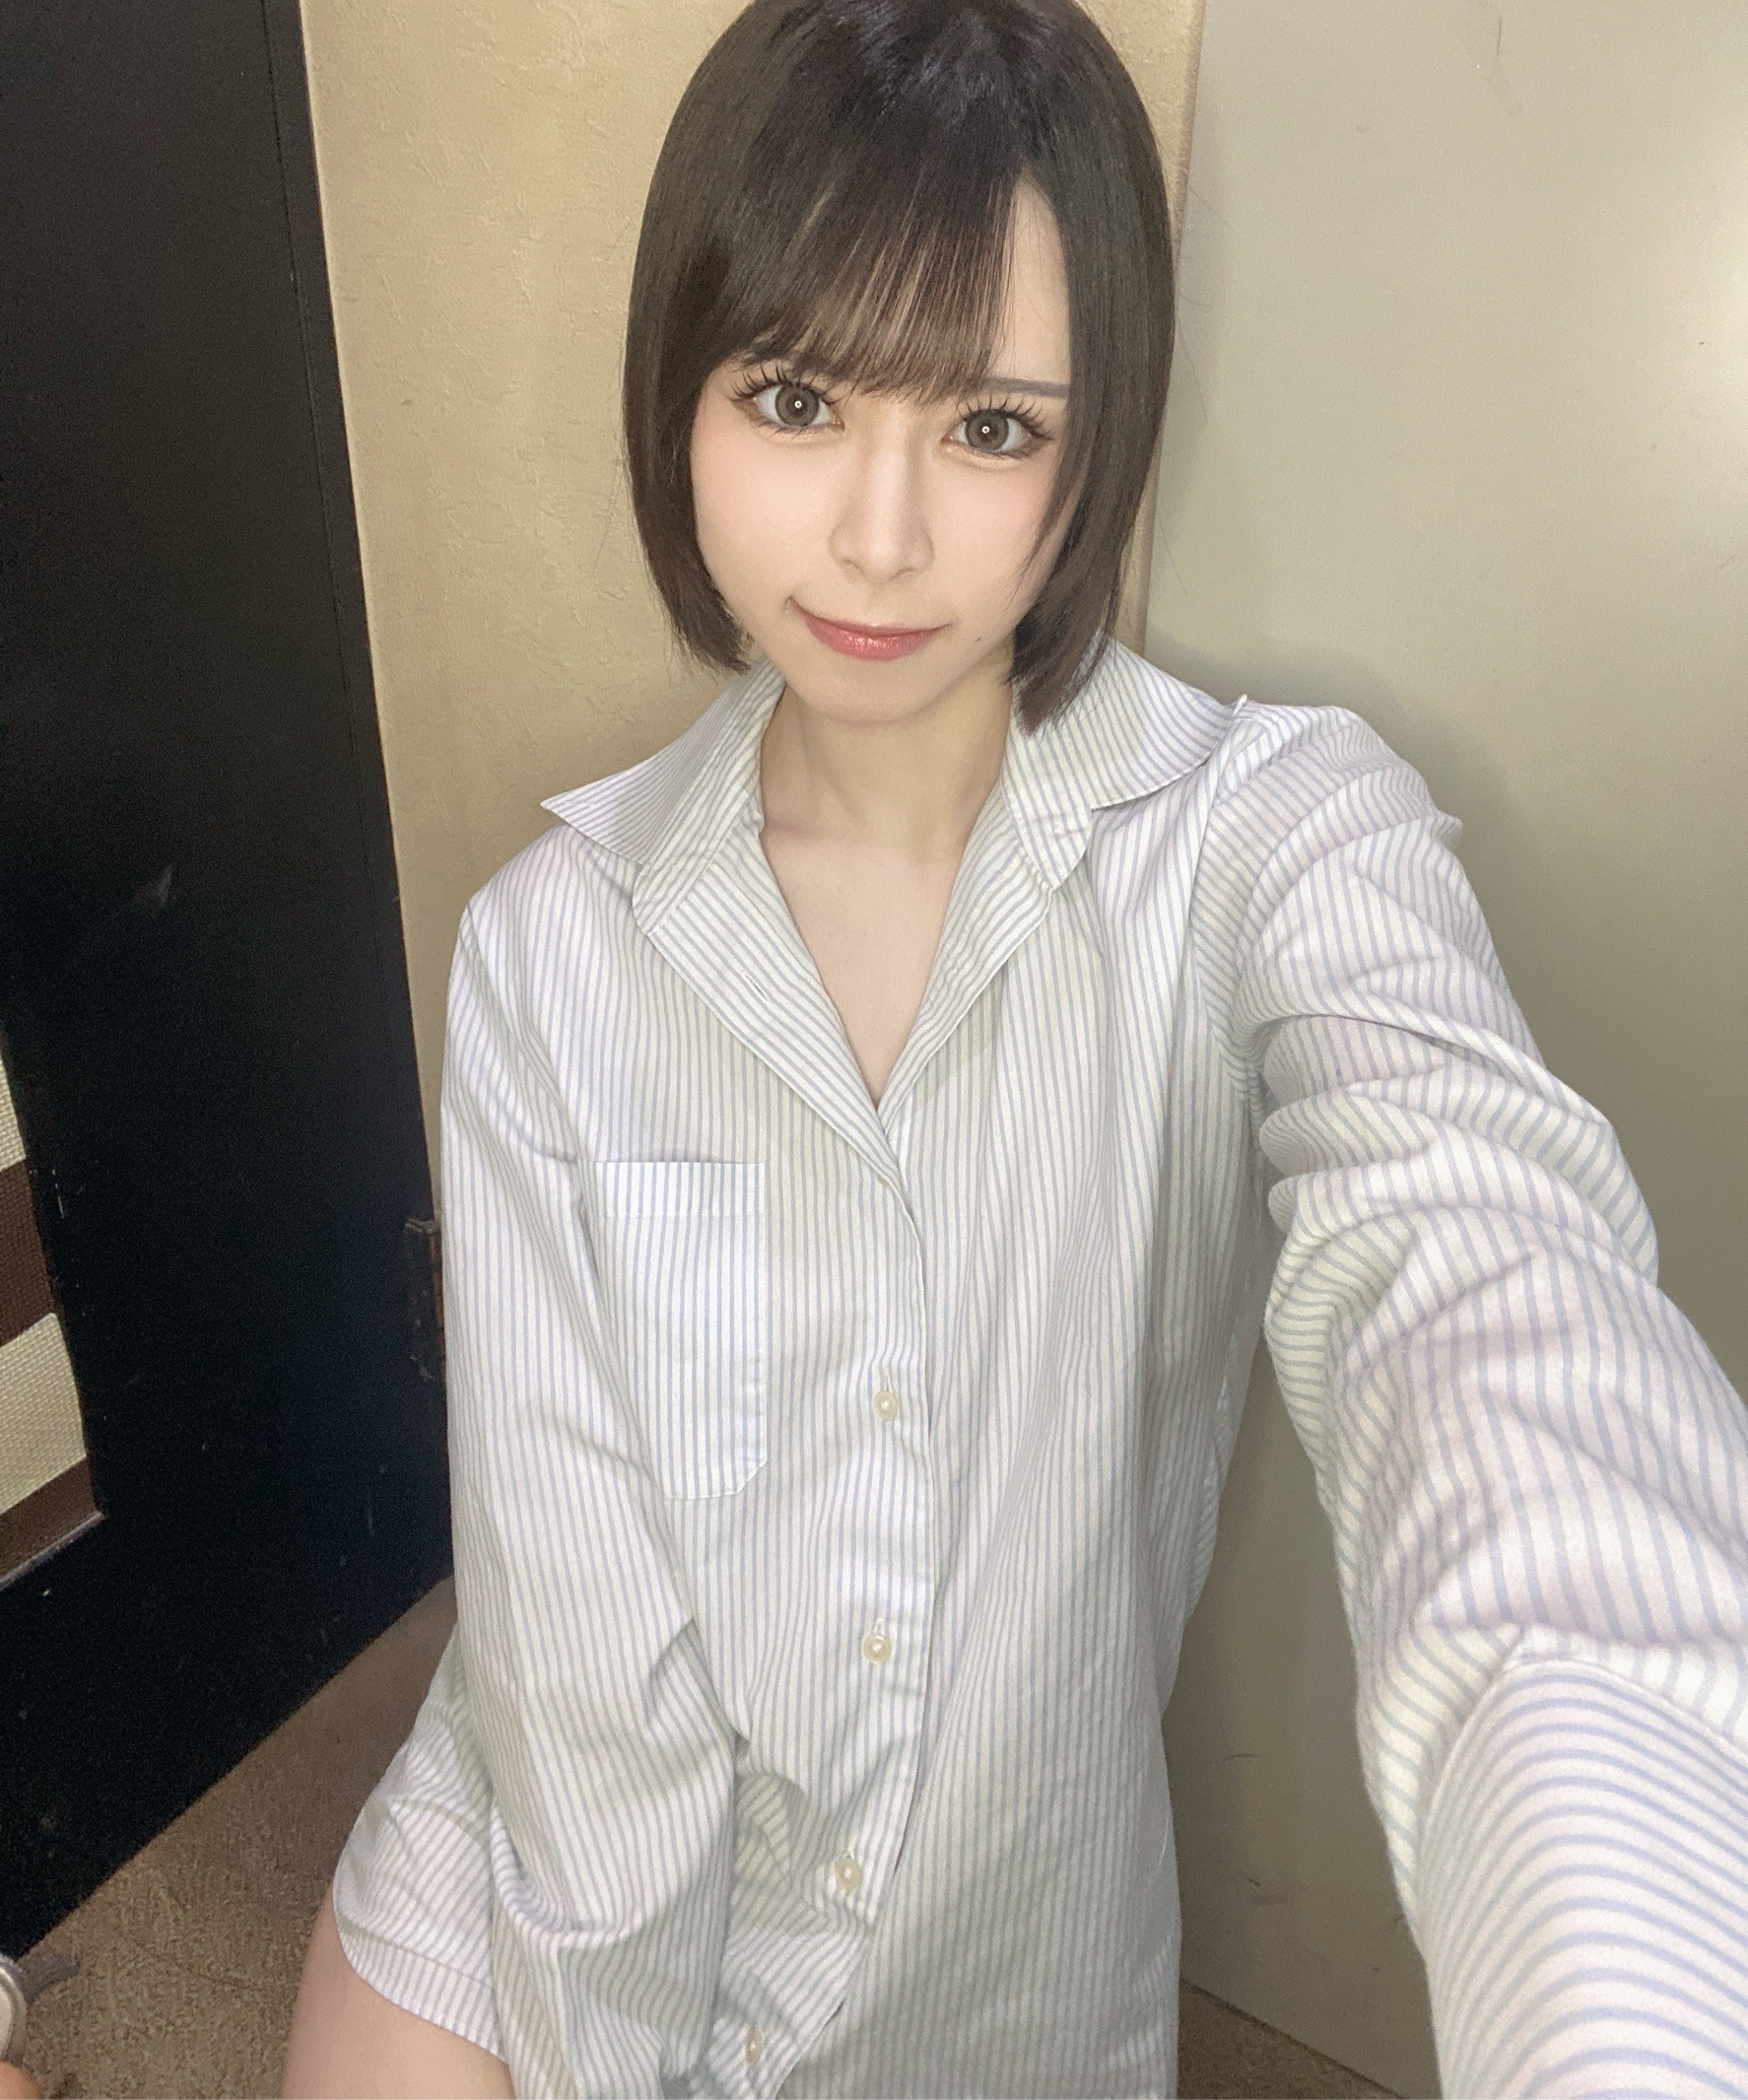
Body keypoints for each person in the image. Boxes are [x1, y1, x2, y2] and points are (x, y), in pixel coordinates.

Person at [282, 0, 1748, 2092]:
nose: (876, 538)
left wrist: (1635, 1998)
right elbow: (579, 1667)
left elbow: (1486, 1289)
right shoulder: (550, 951)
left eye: (986, 426)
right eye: (794, 397)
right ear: (676, 398)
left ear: (1096, 443)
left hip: (1000, 1947)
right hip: (554, 1862)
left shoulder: (1267, 841)